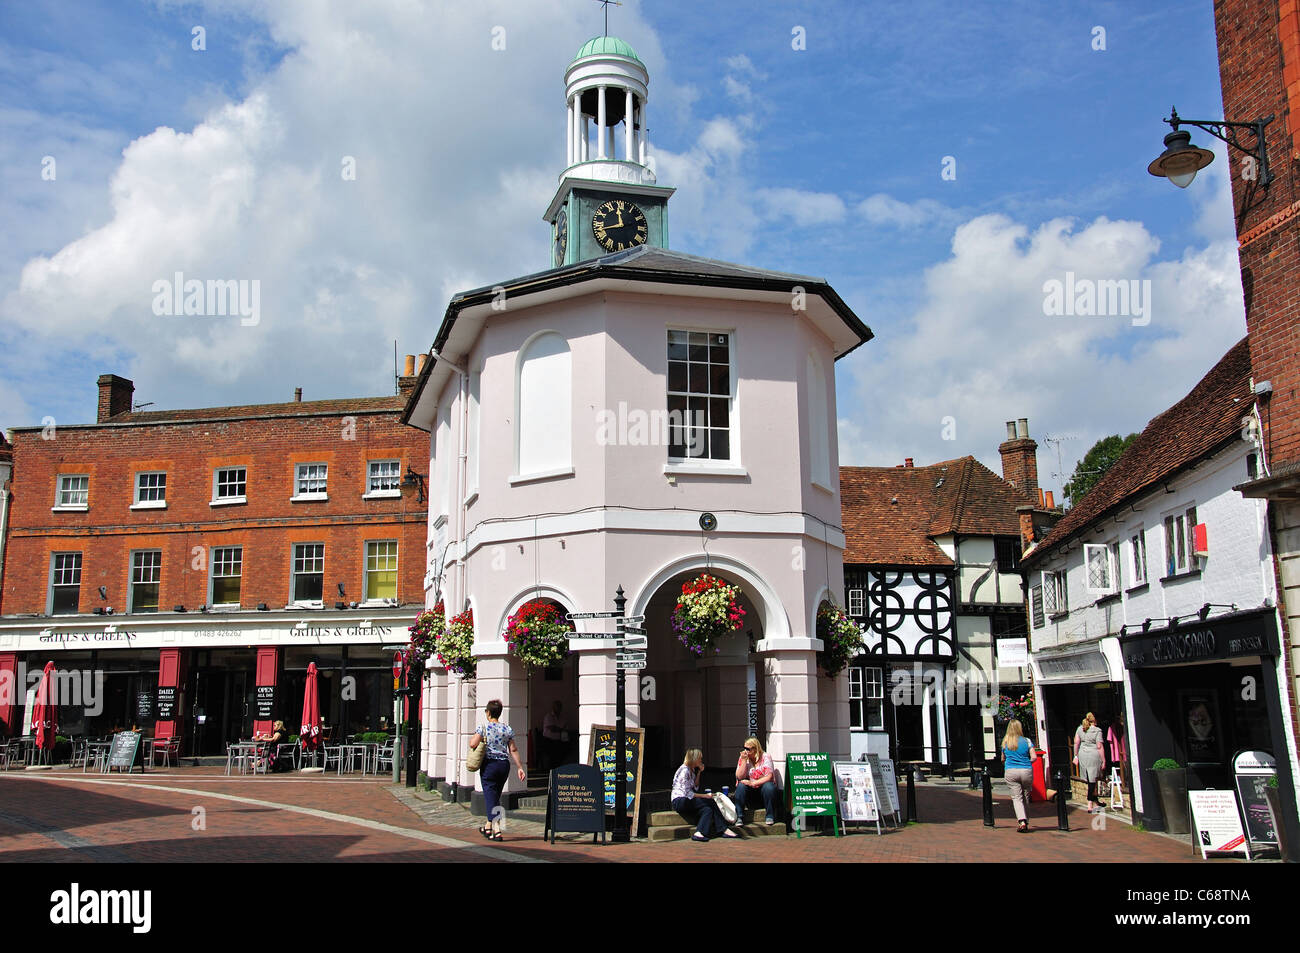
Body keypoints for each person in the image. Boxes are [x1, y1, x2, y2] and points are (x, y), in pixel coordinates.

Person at [470, 699, 527, 841]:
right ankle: (487, 826)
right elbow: (513, 749)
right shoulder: (507, 729)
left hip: (489, 765)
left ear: (488, 713)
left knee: (490, 796)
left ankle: (496, 829)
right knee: (495, 796)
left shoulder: (483, 728)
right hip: (503, 765)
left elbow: (473, 743)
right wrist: (520, 767)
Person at [671, 748, 738, 841]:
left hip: (687, 799)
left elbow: (695, 786)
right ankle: (723, 829)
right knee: (710, 801)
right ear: (694, 759)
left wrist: (699, 772)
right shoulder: (684, 771)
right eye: (700, 758)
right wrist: (705, 796)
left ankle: (700, 833)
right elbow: (688, 793)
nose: (701, 761)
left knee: (707, 810)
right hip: (680, 800)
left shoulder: (691, 770)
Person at [1000, 719, 1037, 832]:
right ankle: (1026, 820)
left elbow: (1002, 758)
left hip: (1011, 771)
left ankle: (1022, 821)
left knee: (1017, 798)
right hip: (1026, 770)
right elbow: (1034, 757)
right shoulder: (1027, 741)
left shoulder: (1005, 742)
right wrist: (1026, 762)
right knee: (1025, 796)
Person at [733, 736, 778, 825]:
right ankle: (739, 816)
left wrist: (753, 783)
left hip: (762, 790)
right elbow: (739, 776)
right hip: (750, 793)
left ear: (755, 749)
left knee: (769, 786)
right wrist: (744, 761)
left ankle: (770, 815)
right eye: (744, 748)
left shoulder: (765, 757)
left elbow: (769, 776)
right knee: (741, 785)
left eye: (748, 749)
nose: (745, 751)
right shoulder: (743, 757)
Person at [1074, 712, 1106, 813]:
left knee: (1090, 779)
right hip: (1094, 755)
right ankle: (1089, 803)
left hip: (1083, 754)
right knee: (1092, 780)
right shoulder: (1097, 730)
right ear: (1095, 720)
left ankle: (1096, 801)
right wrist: (1104, 760)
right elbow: (1099, 746)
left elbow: (1076, 742)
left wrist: (1076, 755)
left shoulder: (1080, 728)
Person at [541, 700, 566, 769]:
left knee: (559, 757)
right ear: (553, 707)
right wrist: (558, 728)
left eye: (560, 707)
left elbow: (563, 727)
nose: (559, 708)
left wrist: (558, 728)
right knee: (550, 758)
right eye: (557, 706)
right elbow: (552, 729)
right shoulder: (548, 716)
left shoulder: (562, 717)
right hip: (548, 740)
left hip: (558, 740)